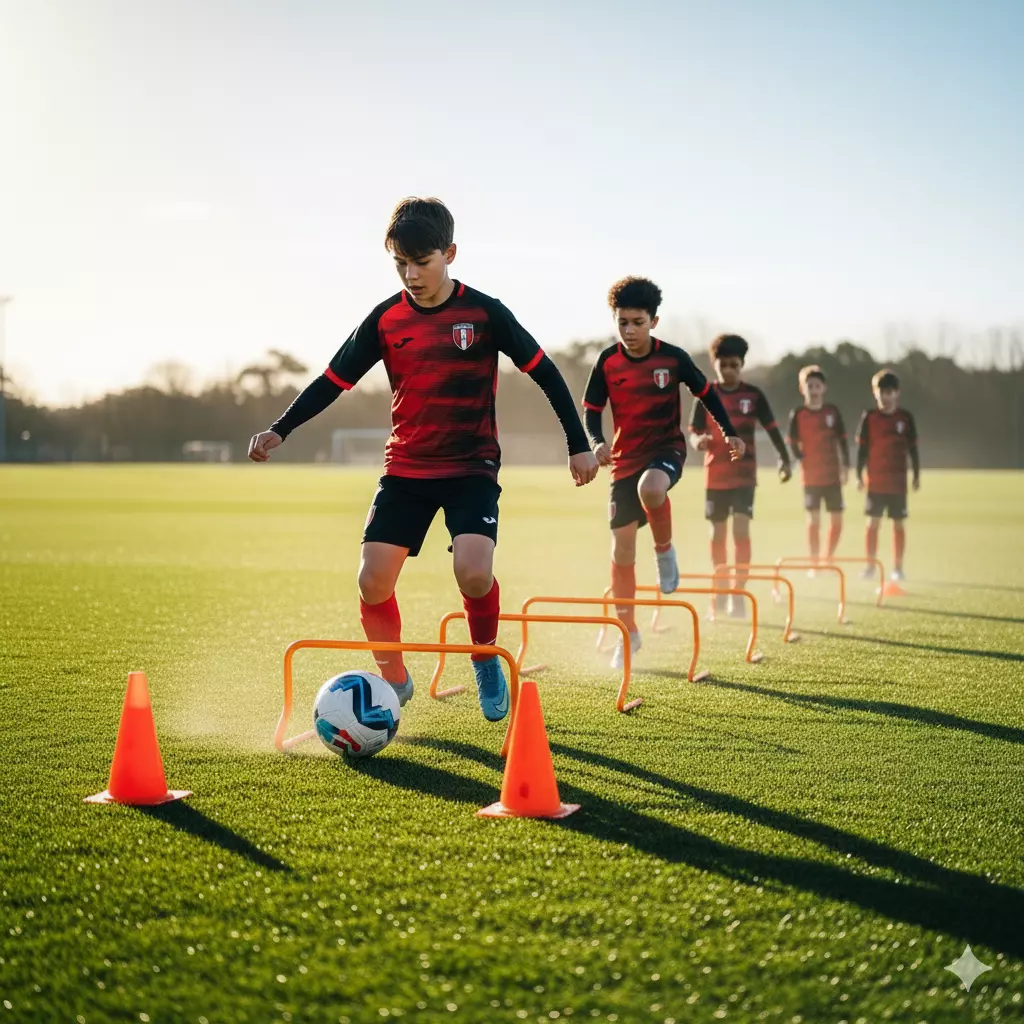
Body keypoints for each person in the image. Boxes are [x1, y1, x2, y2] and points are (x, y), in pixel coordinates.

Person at [248, 197, 598, 720]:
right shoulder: (386, 319)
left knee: (474, 573)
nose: (411, 274)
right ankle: (393, 678)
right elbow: (333, 381)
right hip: (406, 470)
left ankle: (483, 659)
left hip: (471, 467)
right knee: (371, 582)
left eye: (422, 262)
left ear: (450, 253)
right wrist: (281, 429)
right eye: (400, 264)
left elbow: (545, 372)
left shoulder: (484, 312)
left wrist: (577, 444)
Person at [582, 277, 742, 667]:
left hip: (665, 450)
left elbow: (707, 394)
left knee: (652, 489)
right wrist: (597, 442)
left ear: (653, 321)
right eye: (622, 322)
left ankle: (665, 552)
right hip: (623, 460)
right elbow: (591, 411)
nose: (629, 330)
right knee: (620, 549)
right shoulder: (607, 362)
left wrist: (728, 432)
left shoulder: (673, 359)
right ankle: (629, 633)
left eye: (637, 322)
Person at [689, 334, 792, 616]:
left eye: (735, 365)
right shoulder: (705, 395)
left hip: (745, 476)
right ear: (715, 365)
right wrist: (698, 442)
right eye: (724, 365)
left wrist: (785, 459)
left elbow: (772, 429)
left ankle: (738, 592)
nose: (729, 370)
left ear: (742, 365)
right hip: (715, 476)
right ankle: (720, 590)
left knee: (741, 530)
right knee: (717, 533)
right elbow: (694, 432)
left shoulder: (754, 396)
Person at [856, 368, 920, 581]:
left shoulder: (905, 418)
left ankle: (898, 568)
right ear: (875, 393)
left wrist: (917, 475)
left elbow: (913, 449)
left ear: (897, 393)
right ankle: (870, 566)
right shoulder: (869, 417)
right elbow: (862, 450)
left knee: (898, 524)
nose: (886, 396)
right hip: (875, 482)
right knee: (872, 524)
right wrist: (858, 474)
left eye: (890, 392)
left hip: (898, 482)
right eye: (882, 392)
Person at [787, 365, 850, 567]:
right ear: (802, 388)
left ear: (824, 388)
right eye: (809, 385)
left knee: (837, 522)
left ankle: (828, 557)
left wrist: (846, 465)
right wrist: (800, 457)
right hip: (811, 477)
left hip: (832, 475)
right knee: (814, 522)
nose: (813, 389)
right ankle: (814, 563)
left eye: (817, 385)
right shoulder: (797, 414)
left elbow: (842, 441)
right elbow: (791, 440)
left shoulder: (833, 412)